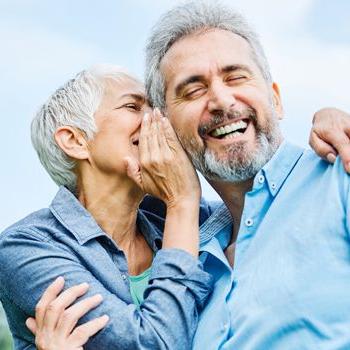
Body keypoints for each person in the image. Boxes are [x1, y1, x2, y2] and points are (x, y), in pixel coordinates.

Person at [26, 1, 350, 349]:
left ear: (276, 99)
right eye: (192, 90)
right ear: (167, 126)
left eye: (236, 76)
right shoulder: (191, 251)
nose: (222, 101)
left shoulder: (339, 181)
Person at [0, 65, 215, 349]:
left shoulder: (195, 219)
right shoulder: (27, 247)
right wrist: (181, 202)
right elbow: (154, 344)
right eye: (133, 106)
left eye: (155, 107)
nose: (157, 119)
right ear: (75, 141)